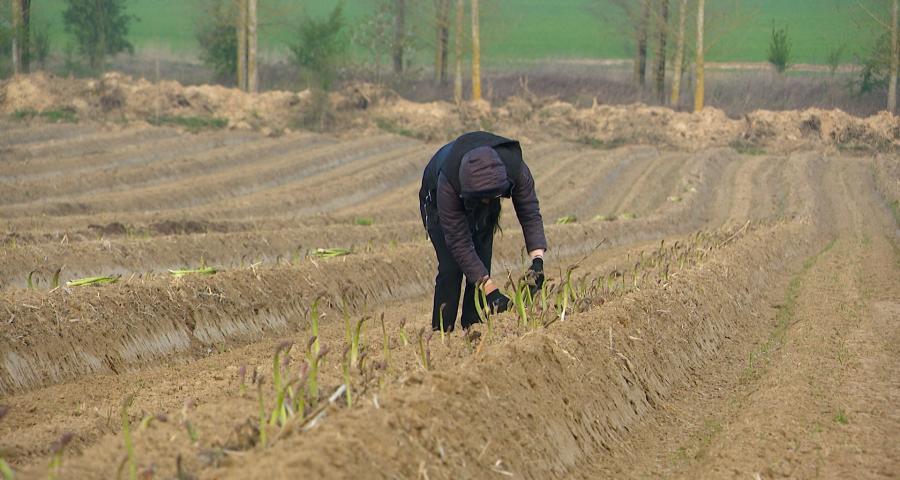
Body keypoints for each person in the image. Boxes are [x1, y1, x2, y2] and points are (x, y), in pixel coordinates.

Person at [419, 131, 547, 332]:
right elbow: (458, 242)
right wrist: (491, 290)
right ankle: (441, 332)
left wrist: (537, 261)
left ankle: (473, 324)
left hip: (481, 188)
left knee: (482, 254)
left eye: (492, 197)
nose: (486, 203)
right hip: (436, 197)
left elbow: (530, 213)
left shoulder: (515, 168)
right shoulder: (448, 185)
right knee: (451, 267)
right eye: (483, 199)